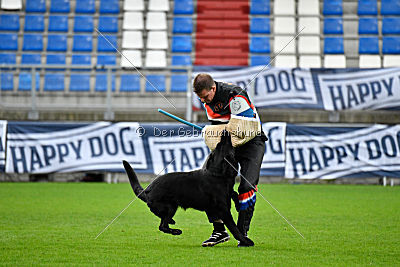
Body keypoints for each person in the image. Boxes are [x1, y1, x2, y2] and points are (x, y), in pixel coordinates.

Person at [193, 73, 268, 247]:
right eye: (200, 98)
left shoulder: (235, 95)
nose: (204, 101)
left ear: (213, 88)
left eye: (205, 97)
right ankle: (219, 230)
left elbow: (244, 128)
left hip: (251, 141)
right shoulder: (207, 101)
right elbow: (218, 127)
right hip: (228, 144)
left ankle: (242, 233)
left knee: (247, 186)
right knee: (207, 184)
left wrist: (223, 134)